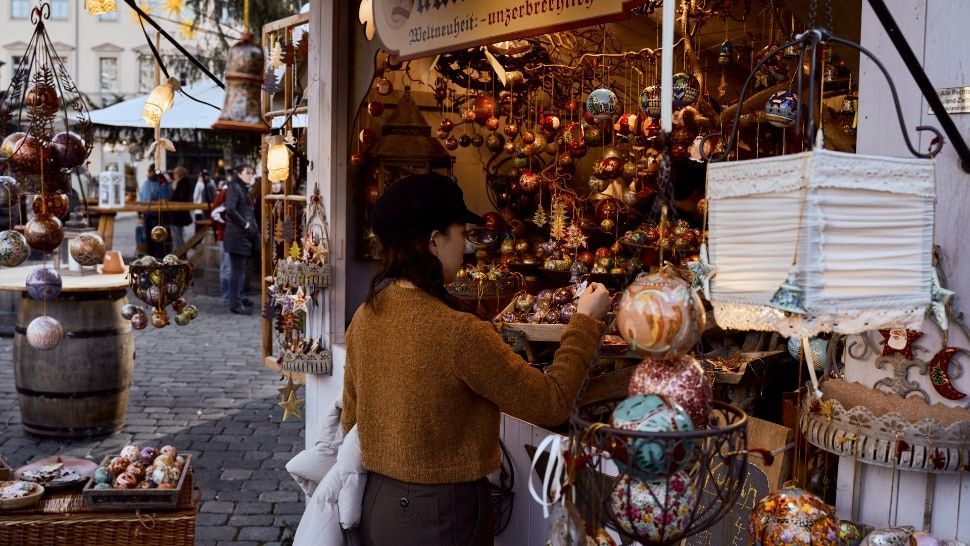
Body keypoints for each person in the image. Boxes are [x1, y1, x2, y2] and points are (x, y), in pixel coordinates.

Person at [341, 173, 611, 545]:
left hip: (378, 506)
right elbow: (551, 403)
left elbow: (350, 420)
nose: (466, 247)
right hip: (441, 515)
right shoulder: (458, 331)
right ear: (434, 241)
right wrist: (584, 321)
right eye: (461, 234)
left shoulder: (365, 316)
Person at [223, 164, 258, 315]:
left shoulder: (241, 187)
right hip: (237, 236)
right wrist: (246, 225)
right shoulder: (235, 187)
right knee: (237, 272)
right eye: (247, 173)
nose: (250, 175)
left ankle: (239, 298)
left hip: (243, 236)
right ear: (239, 173)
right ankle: (235, 304)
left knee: (240, 271)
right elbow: (230, 209)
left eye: (251, 173)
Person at [139, 164, 172, 259]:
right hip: (149, 213)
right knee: (151, 237)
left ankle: (157, 256)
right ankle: (153, 256)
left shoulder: (159, 183)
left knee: (158, 236)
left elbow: (166, 198)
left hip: (155, 213)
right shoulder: (149, 183)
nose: (148, 173)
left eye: (149, 171)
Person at [209, 182, 232, 308]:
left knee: (234, 268)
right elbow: (215, 214)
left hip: (236, 235)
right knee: (227, 268)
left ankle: (234, 296)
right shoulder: (225, 193)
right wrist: (225, 224)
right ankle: (227, 297)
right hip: (226, 235)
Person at [168, 166, 194, 251]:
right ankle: (178, 251)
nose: (173, 175)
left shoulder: (183, 182)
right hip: (176, 213)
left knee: (177, 235)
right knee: (176, 234)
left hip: (178, 213)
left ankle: (180, 253)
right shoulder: (180, 182)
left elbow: (180, 196)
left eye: (175, 173)